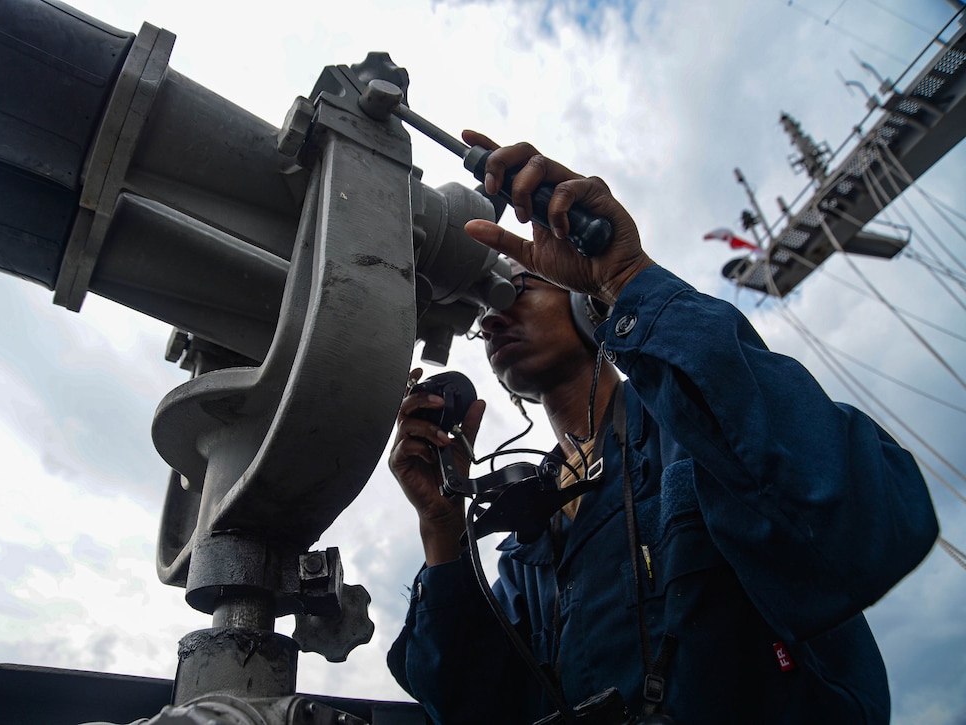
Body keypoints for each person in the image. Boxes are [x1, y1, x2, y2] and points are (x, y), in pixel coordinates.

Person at [385, 131, 939, 724]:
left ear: (580, 299)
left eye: (515, 287)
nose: (492, 317)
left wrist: (626, 279)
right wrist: (442, 530)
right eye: (483, 310)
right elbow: (472, 710)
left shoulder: (696, 422)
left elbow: (861, 522)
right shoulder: (528, 538)